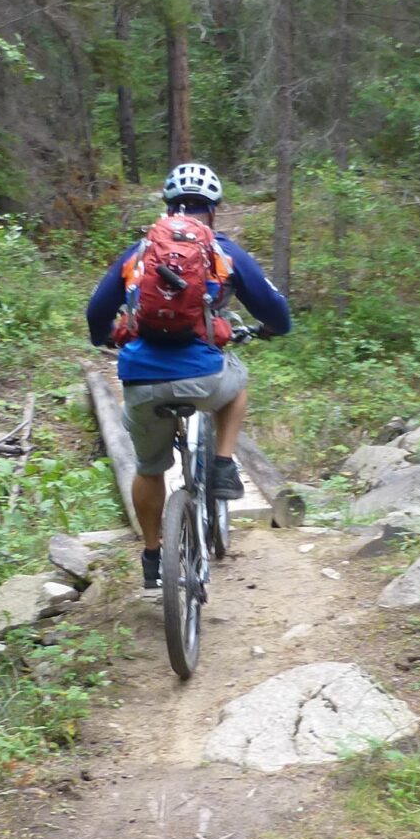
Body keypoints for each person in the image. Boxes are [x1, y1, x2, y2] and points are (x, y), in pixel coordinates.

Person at [87, 163, 292, 592]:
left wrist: (104, 336)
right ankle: (223, 465)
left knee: (148, 468)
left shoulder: (139, 252)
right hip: (204, 377)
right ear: (213, 209)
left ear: (168, 206)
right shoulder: (223, 252)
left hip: (142, 380)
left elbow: (96, 311)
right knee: (237, 383)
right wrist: (271, 328)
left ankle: (152, 557)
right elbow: (276, 311)